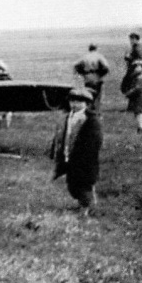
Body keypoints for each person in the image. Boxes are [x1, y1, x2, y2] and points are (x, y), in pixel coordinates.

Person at [48, 87, 103, 215]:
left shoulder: (91, 119)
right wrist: (55, 151)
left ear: (87, 103)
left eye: (79, 102)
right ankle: (82, 203)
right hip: (68, 154)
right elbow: (59, 136)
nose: (74, 104)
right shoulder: (67, 118)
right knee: (72, 184)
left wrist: (86, 154)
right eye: (72, 101)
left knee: (83, 183)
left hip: (84, 159)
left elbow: (95, 140)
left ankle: (86, 207)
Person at [73, 44, 109, 111]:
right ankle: (96, 110)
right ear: (96, 48)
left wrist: (82, 74)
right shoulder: (99, 56)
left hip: (87, 78)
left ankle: (89, 109)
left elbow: (76, 66)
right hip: (97, 78)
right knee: (97, 95)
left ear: (89, 49)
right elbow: (106, 67)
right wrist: (101, 75)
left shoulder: (84, 57)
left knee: (89, 94)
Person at [122, 60, 142, 133]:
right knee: (141, 112)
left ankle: (140, 127)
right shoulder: (140, 77)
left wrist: (129, 93)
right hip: (140, 97)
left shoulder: (140, 78)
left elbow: (137, 88)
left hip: (139, 98)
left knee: (138, 113)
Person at [0, 60, 13, 128]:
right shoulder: (8, 77)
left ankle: (0, 117)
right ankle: (6, 116)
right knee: (10, 108)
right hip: (8, 100)